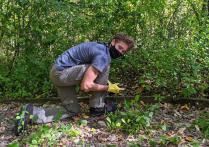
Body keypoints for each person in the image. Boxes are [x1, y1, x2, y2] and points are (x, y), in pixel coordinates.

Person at [14, 33, 134, 135]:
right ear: (113, 42)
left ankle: (30, 113)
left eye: (123, 51)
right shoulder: (103, 55)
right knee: (104, 65)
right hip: (61, 74)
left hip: (60, 75)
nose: (120, 52)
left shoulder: (101, 47)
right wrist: (108, 88)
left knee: (73, 110)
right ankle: (97, 107)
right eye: (119, 47)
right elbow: (86, 86)